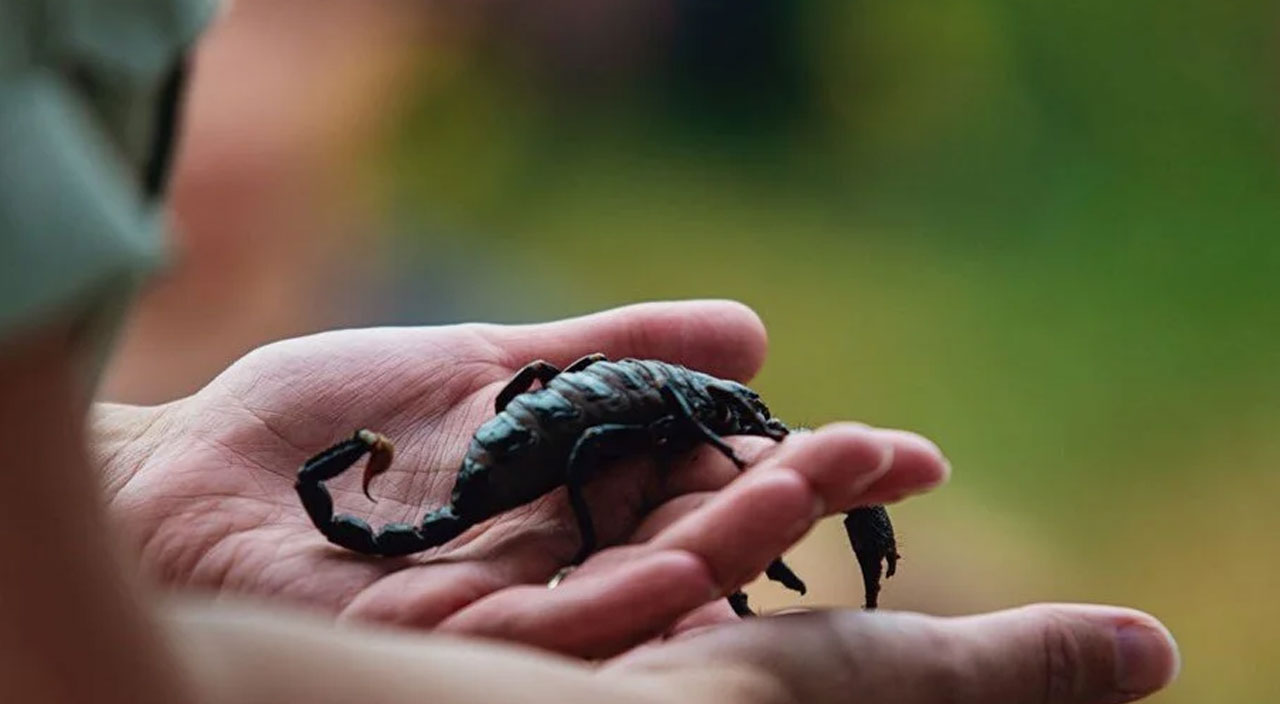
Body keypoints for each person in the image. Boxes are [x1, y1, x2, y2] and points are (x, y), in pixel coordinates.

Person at [0, 1, 1180, 702]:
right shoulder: (676, 407)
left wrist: (122, 474)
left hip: (536, 432)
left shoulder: (494, 305)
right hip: (538, 444)